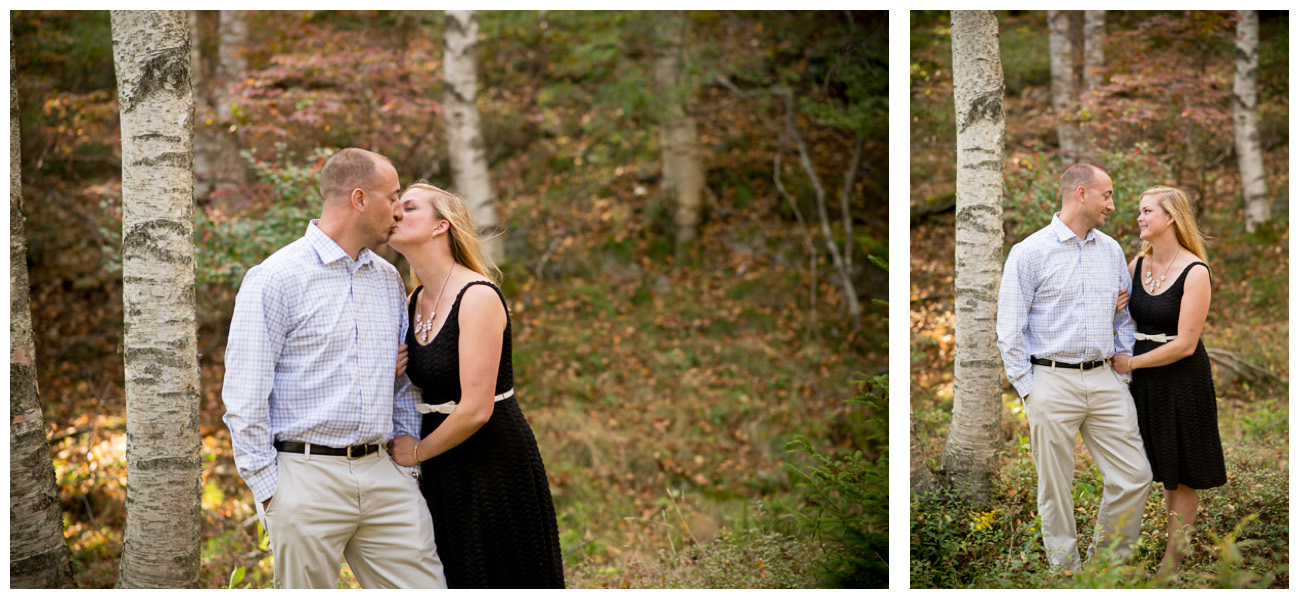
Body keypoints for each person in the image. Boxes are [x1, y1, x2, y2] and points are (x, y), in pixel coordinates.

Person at [222, 148, 446, 588]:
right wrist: (271, 492)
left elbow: (402, 386)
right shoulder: (275, 278)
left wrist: (407, 470)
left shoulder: (386, 278)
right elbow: (245, 397)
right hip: (303, 479)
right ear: (360, 199)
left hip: (384, 476)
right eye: (393, 197)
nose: (400, 210)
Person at [386, 181, 565, 588]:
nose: (397, 212)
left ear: (440, 226)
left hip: (491, 457)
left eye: (409, 207)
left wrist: (416, 452)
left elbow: (477, 408)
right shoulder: (413, 300)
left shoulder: (477, 295)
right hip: (442, 462)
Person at [996, 163, 1152, 568]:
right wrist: (1029, 389)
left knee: (1134, 475)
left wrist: (1124, 371)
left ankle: (1106, 571)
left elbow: (1124, 318)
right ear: (1080, 194)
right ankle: (1066, 576)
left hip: (1105, 380)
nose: (1113, 205)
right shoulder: (1029, 252)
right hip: (1050, 381)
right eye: (1107, 195)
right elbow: (1010, 328)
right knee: (1055, 487)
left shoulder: (1112, 250)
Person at [1112, 186, 1225, 578]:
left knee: (1182, 475)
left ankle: (1172, 567)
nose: (1140, 218)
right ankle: (1160, 551)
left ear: (1171, 217)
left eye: (1146, 211)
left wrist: (1130, 363)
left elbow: (1185, 344)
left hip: (1181, 380)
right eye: (1139, 211)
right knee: (1160, 468)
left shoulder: (1195, 271)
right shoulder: (1135, 264)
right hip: (1144, 381)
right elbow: (1116, 310)